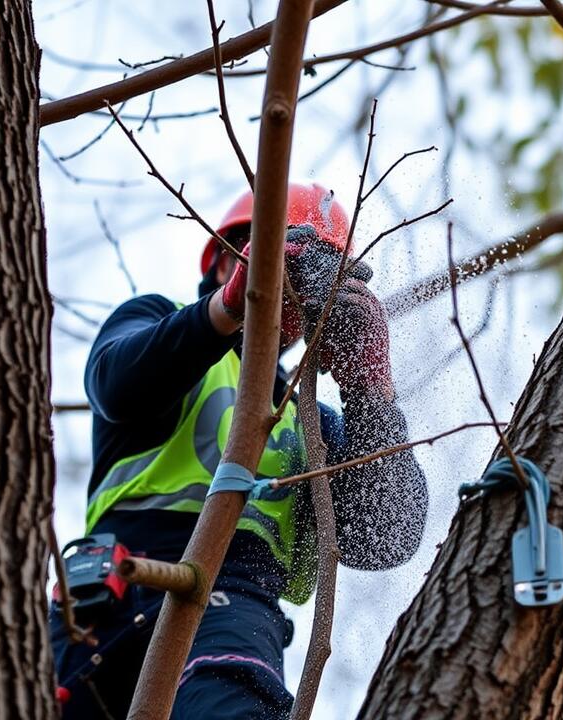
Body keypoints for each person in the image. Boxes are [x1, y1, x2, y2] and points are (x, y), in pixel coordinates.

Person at [49, 182, 428, 719]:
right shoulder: (160, 325)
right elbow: (116, 382)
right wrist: (228, 309)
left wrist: (371, 391)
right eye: (276, 258)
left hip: (236, 608)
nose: (289, 285)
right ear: (228, 259)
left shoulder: (314, 425)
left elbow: (387, 536)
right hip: (110, 598)